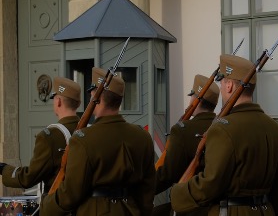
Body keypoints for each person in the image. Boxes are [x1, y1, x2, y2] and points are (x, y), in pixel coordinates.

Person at [170, 54, 278, 216]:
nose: (220, 88)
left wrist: (178, 192)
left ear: (229, 86)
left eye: (222, 82)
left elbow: (210, 184)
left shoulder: (222, 129)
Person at [40, 67, 155, 215]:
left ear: (96, 97)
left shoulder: (83, 139)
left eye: (92, 93)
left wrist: (47, 205)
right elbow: (147, 189)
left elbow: (71, 193)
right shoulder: (142, 136)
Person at [0, 77, 81, 195]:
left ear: (58, 101)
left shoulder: (49, 137)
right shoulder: (89, 130)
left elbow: (29, 177)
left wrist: (4, 169)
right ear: (78, 104)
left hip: (59, 206)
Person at [153, 74, 220, 216]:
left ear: (196, 100)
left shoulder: (182, 130)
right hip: (216, 207)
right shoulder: (223, 127)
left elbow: (167, 174)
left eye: (192, 96)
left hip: (189, 206)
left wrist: (142, 190)